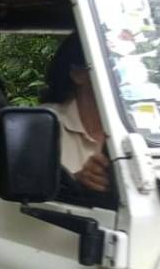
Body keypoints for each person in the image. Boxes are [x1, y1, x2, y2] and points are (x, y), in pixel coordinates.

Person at [40, 35, 110, 193]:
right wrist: (75, 181)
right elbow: (27, 186)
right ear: (78, 74)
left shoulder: (145, 127)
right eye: (110, 63)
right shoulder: (43, 124)